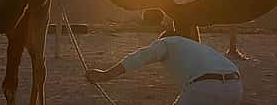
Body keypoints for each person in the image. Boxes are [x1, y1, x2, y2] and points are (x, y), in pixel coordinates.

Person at [85, 36, 243, 105]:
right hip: (235, 85)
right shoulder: (198, 48)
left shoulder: (167, 43)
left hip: (204, 86)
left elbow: (139, 57)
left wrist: (105, 75)